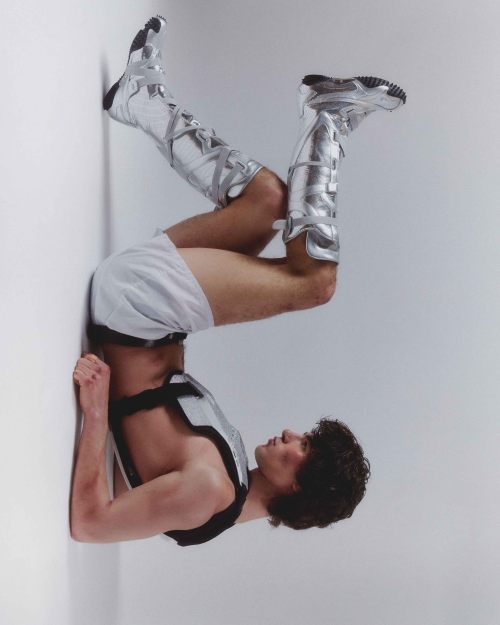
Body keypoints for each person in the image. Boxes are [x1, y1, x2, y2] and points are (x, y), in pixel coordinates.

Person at [71, 16, 405, 545]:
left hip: (135, 310)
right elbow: (138, 460)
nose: (292, 434)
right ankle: (139, 99)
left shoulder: (209, 492)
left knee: (315, 285)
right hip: (143, 309)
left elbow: (91, 524)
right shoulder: (226, 480)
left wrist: (95, 412)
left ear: (297, 489)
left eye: (303, 449)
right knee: (268, 200)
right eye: (306, 437)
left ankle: (327, 120)